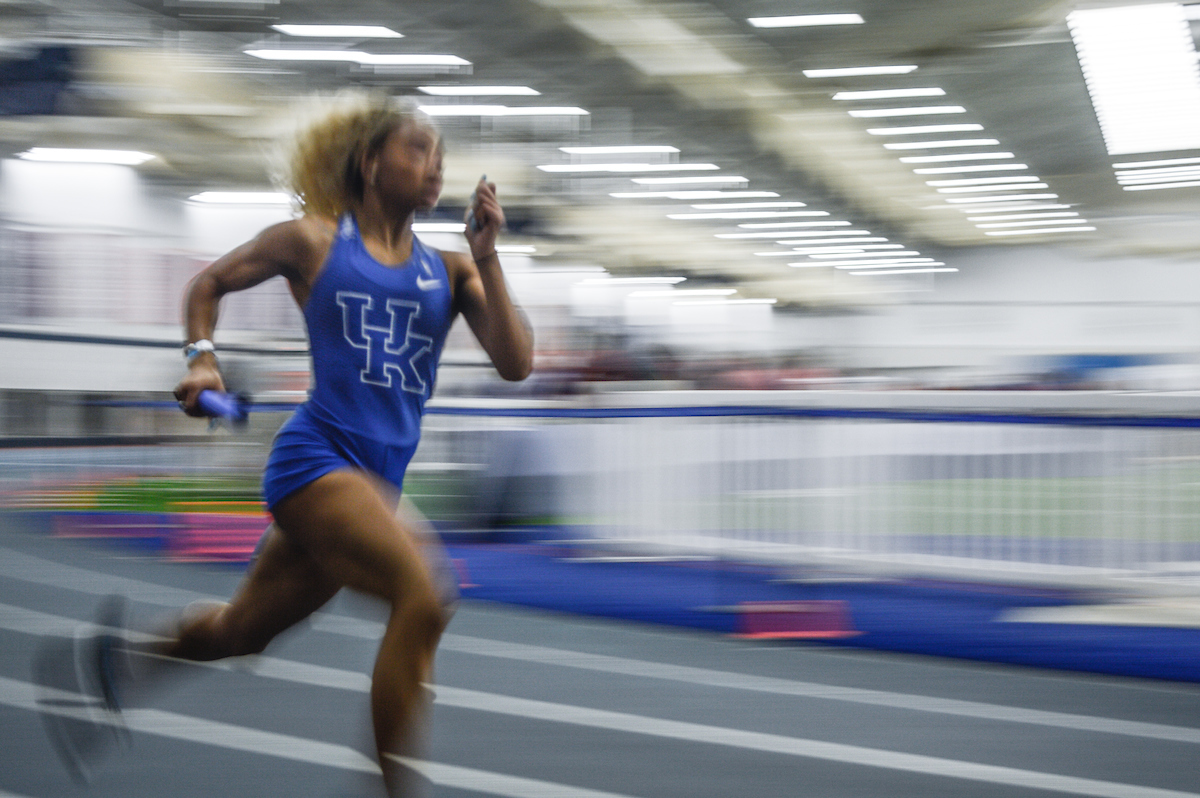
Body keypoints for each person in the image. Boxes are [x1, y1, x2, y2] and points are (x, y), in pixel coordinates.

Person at [34, 94, 533, 796]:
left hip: (376, 482)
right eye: (416, 149)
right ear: (369, 163)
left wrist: (490, 257)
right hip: (316, 464)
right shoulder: (315, 242)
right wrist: (202, 359)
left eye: (440, 154)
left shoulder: (451, 271)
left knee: (244, 632)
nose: (435, 163)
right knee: (425, 595)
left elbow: (515, 362)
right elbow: (208, 282)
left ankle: (121, 660)